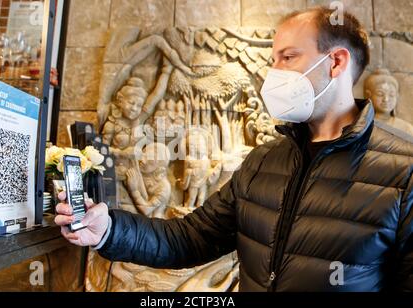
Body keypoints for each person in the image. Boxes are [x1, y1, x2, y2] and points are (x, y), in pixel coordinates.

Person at [55, 7, 413, 291]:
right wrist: (109, 229)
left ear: (335, 62)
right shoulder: (263, 162)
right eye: (274, 59)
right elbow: (189, 239)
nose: (274, 72)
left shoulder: (404, 171)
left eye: (288, 57)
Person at [364, 68, 413, 136]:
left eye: (391, 95)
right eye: (380, 94)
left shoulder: (406, 128)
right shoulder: (363, 126)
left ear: (397, 96)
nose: (386, 99)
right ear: (368, 95)